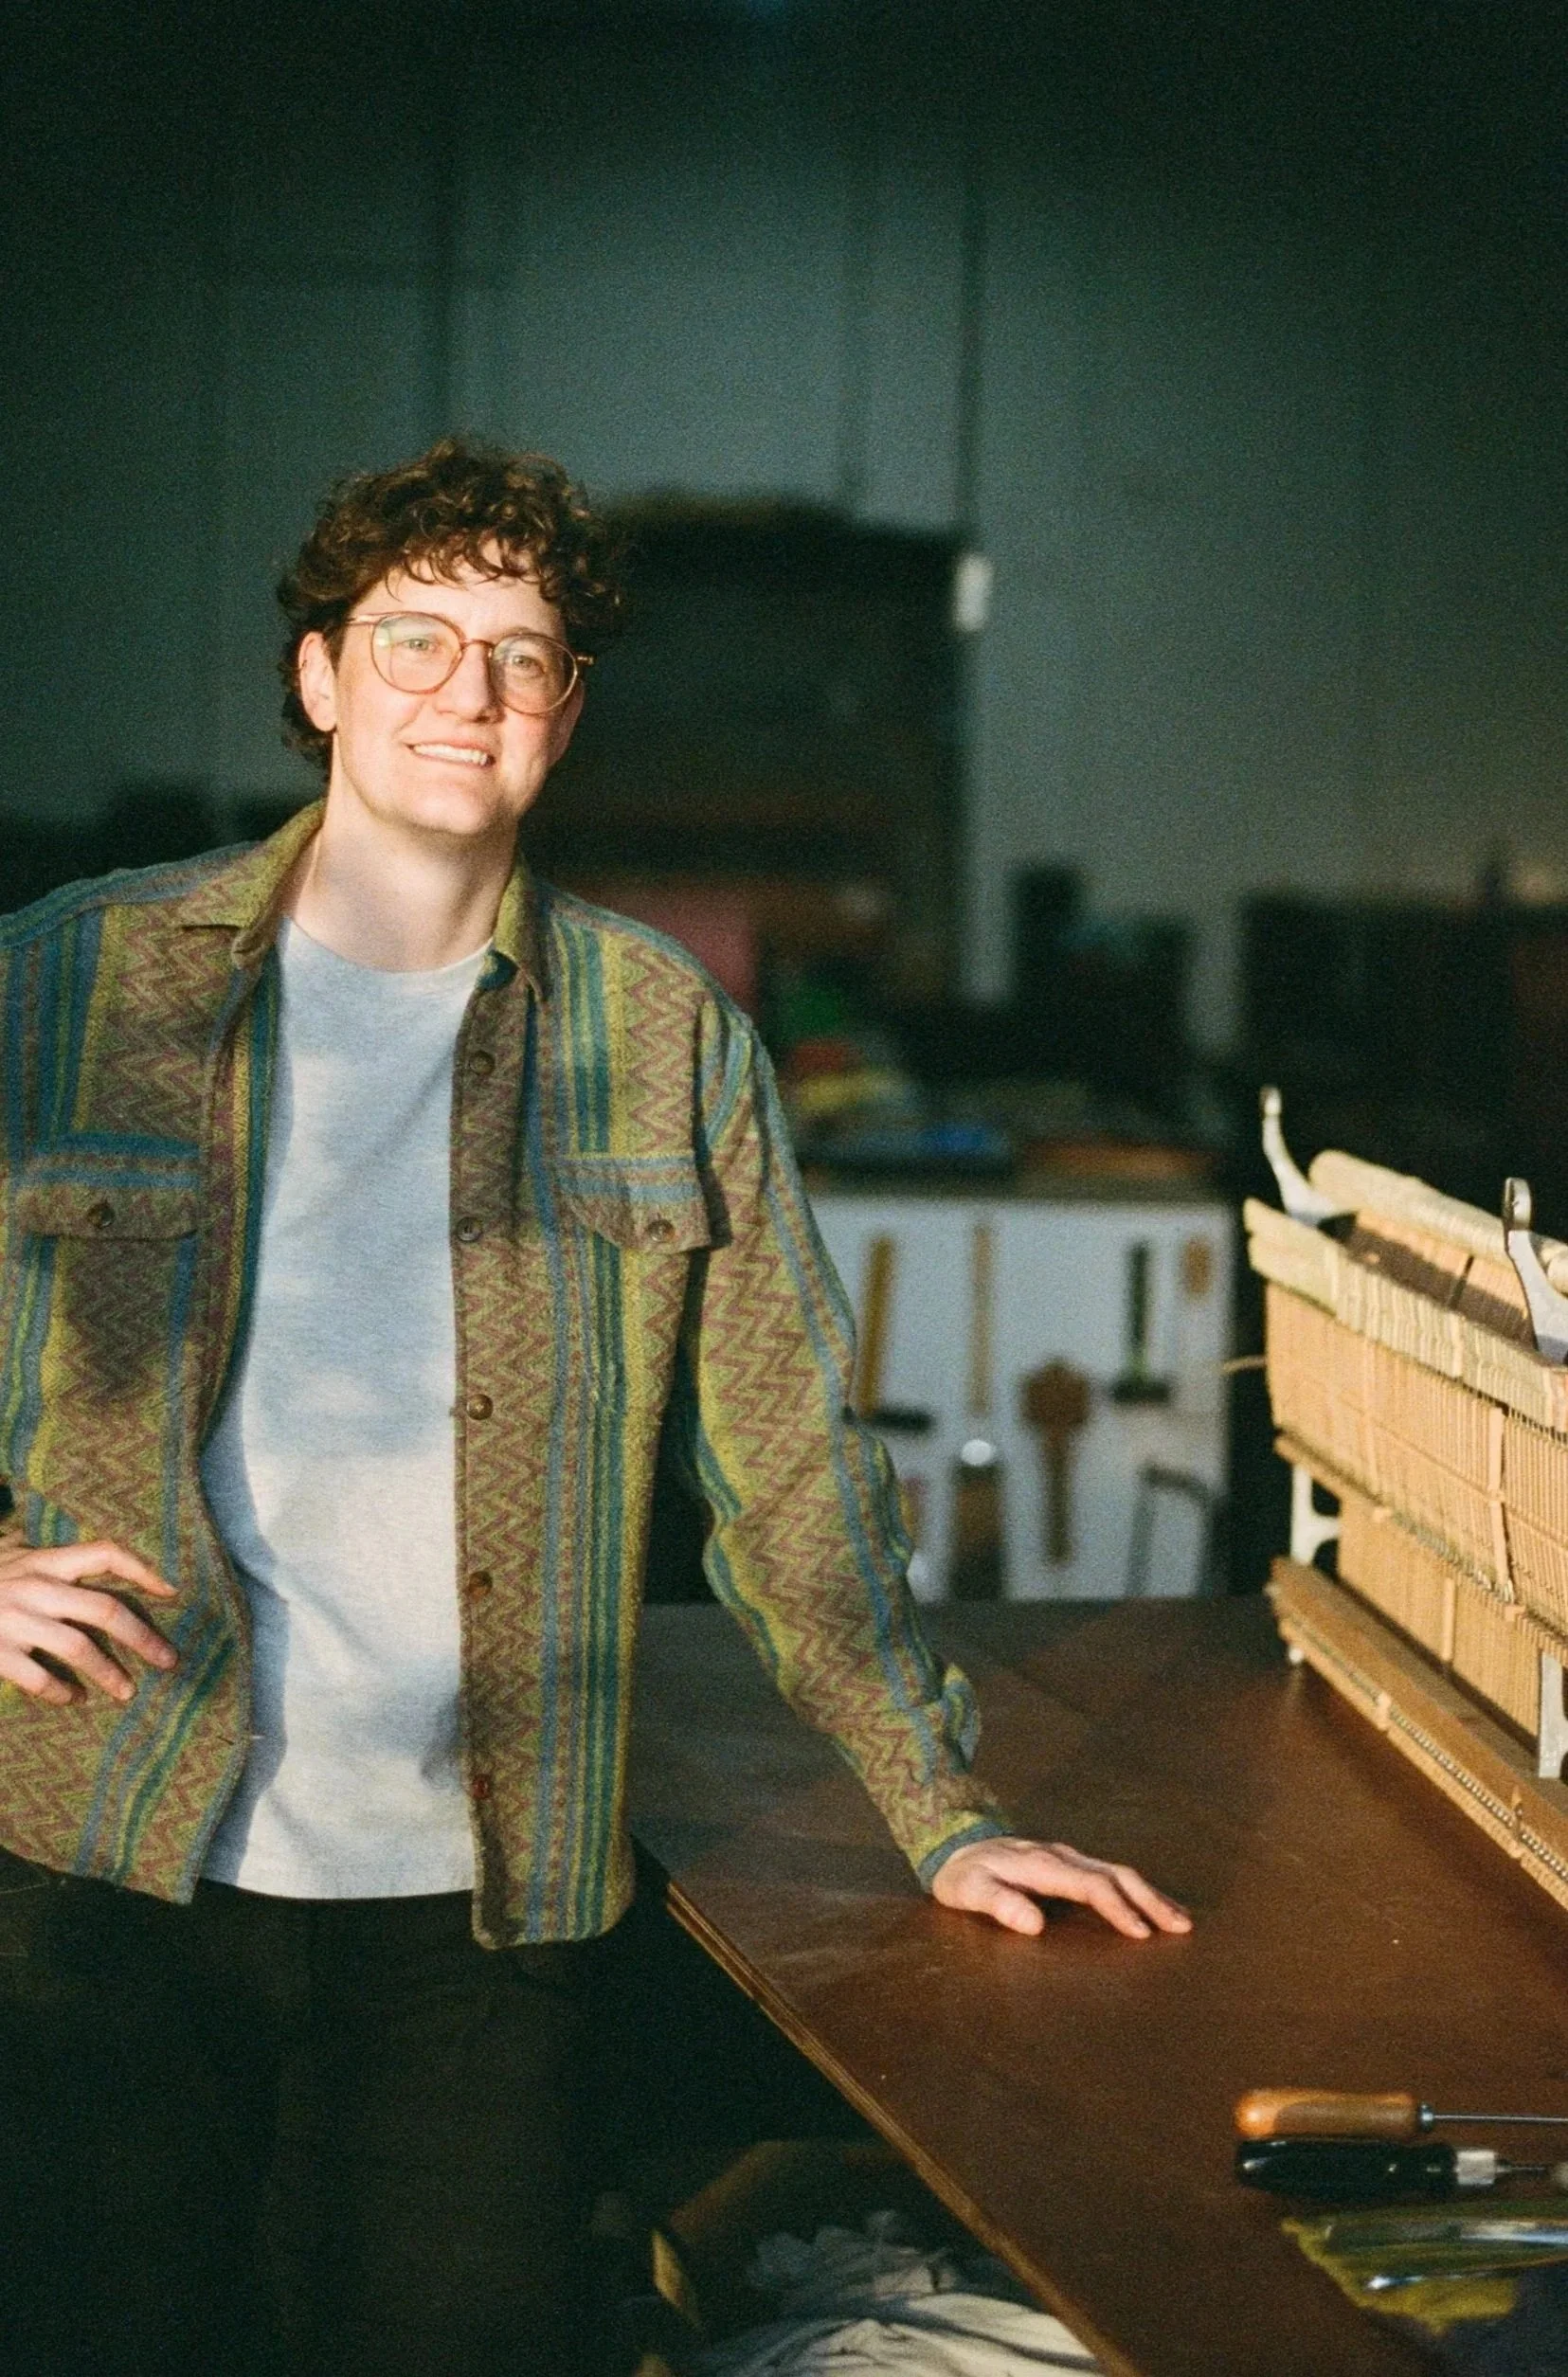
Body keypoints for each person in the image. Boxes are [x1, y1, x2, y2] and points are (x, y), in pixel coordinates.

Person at [0, 439, 1189, 2377]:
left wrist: (942, 1815)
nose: (464, 694)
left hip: (480, 1898)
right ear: (317, 674)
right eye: (414, 638)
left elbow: (791, 1458)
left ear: (565, 710)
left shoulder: (659, 1041)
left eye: (522, 654)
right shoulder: (71, 986)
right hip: (99, 1864)